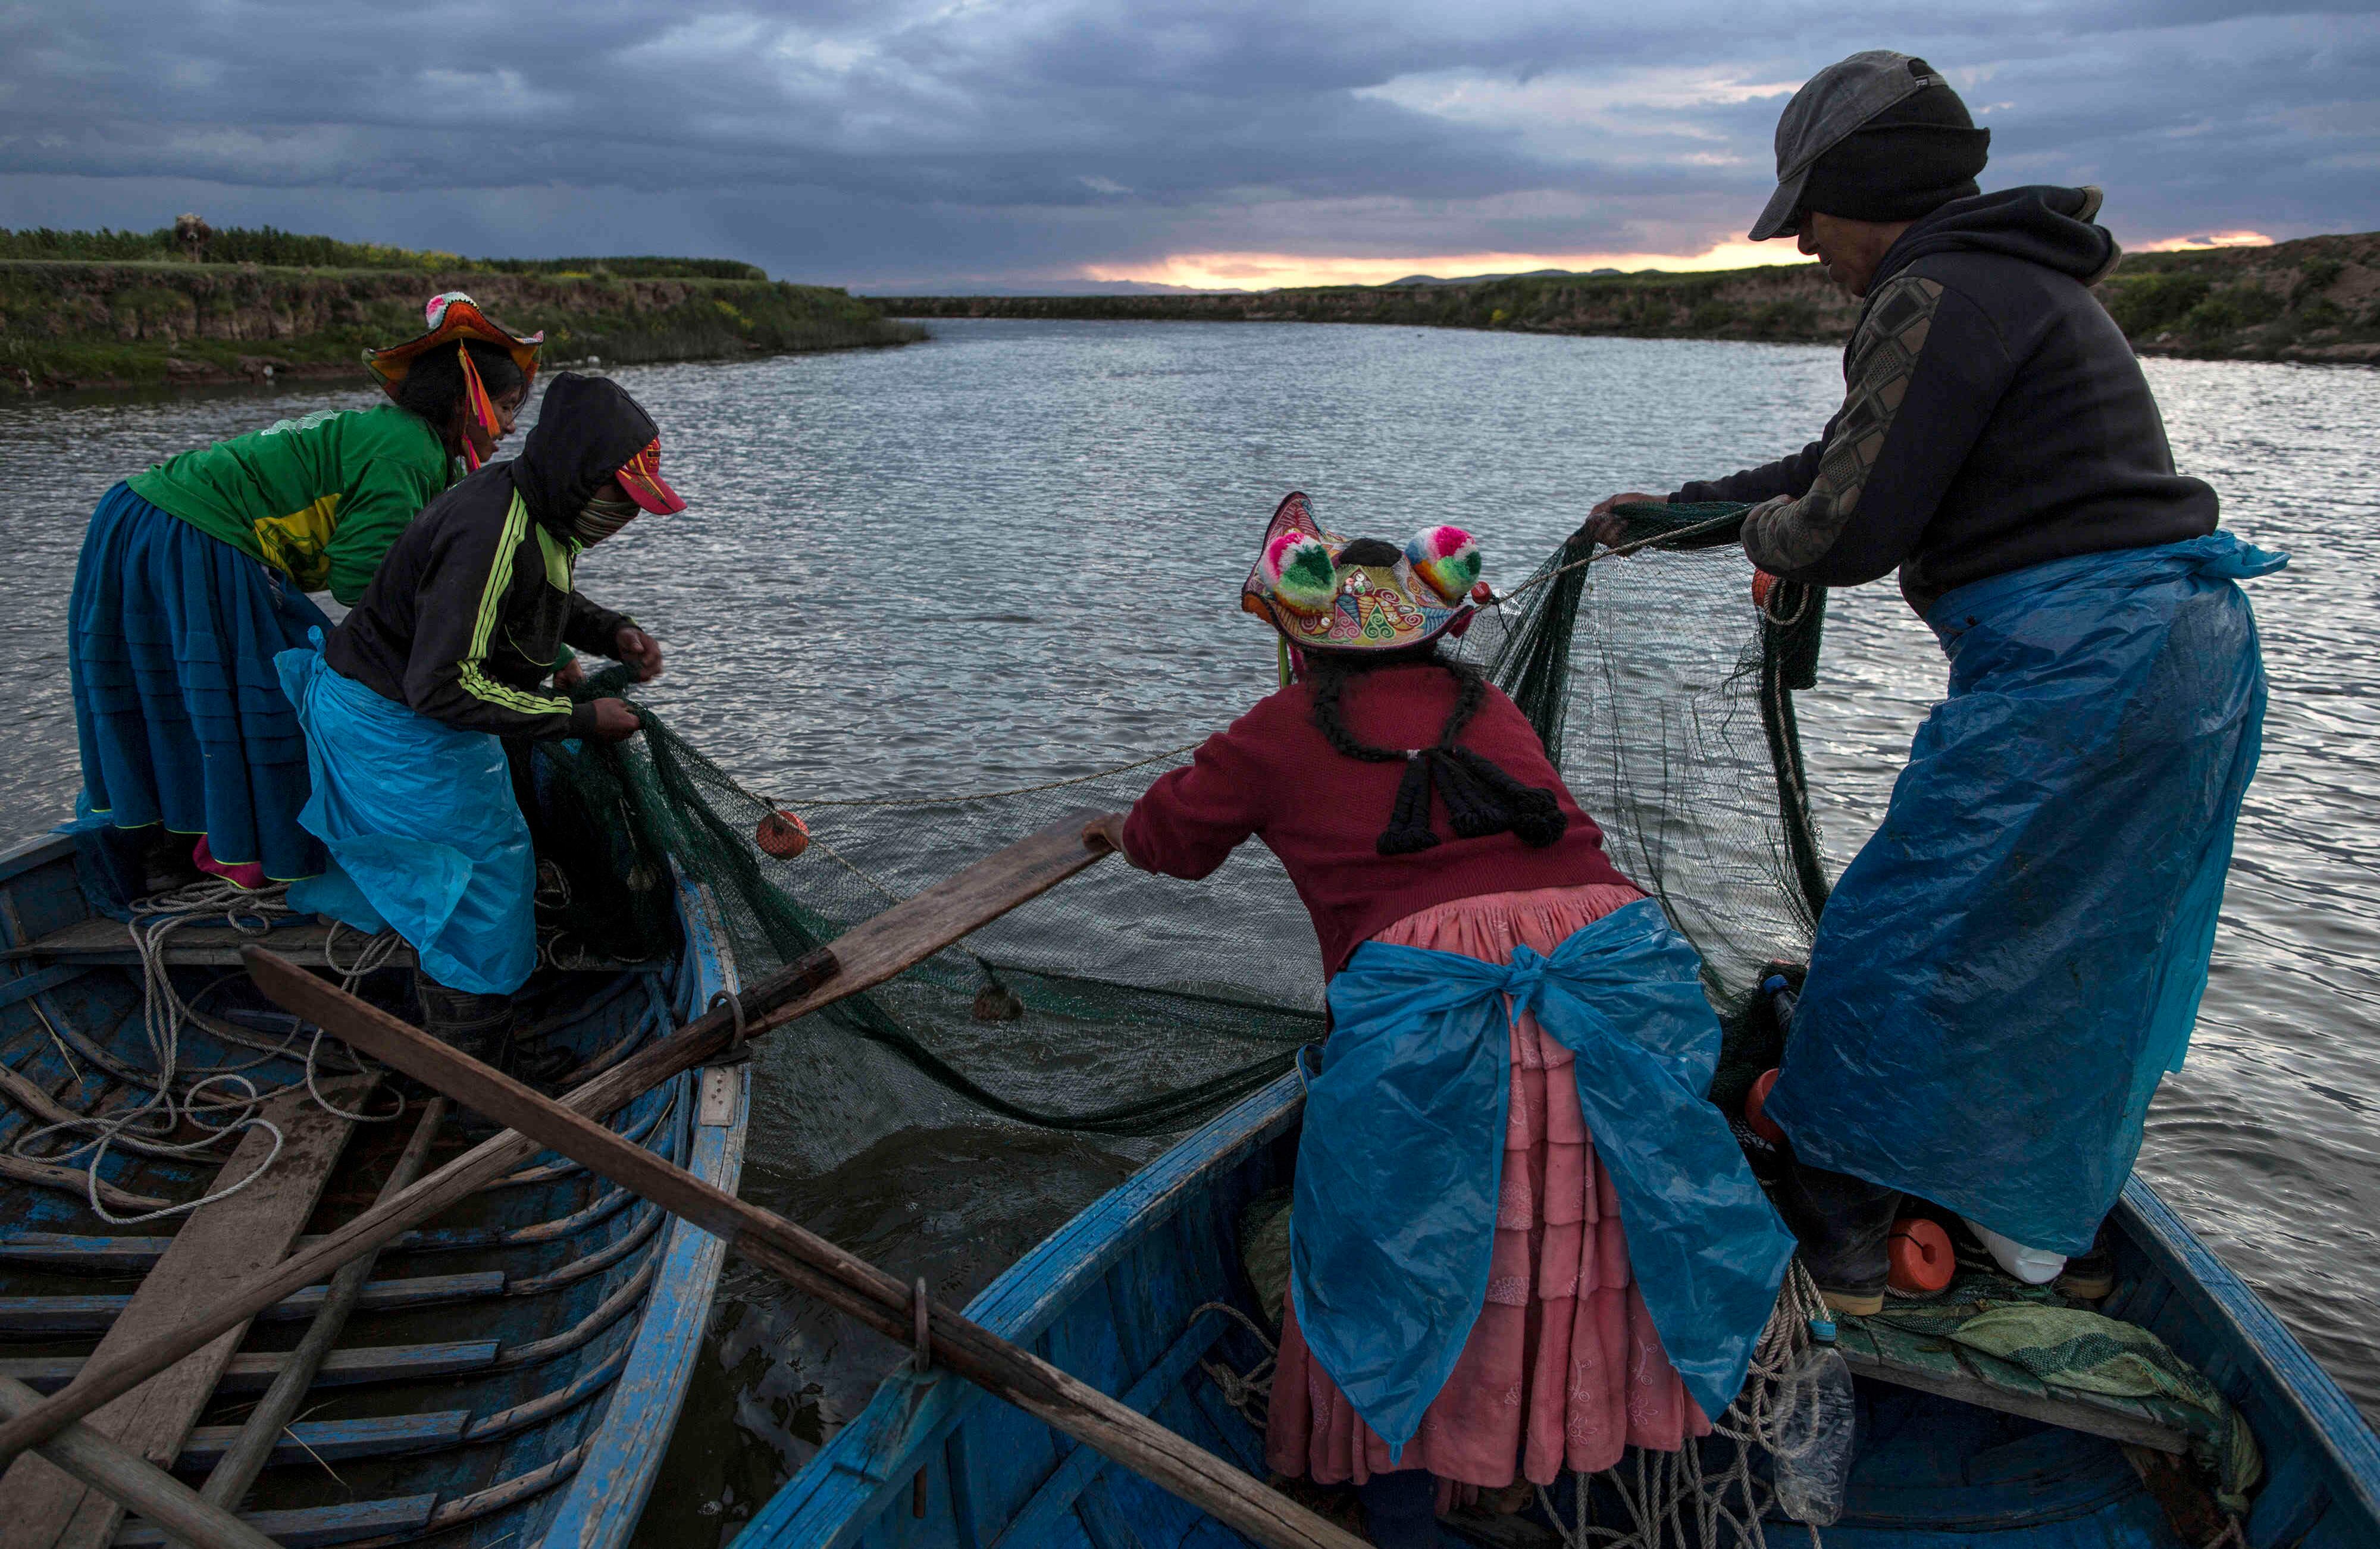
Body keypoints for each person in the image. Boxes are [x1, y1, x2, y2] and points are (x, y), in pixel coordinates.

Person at [1594, 51, 2282, 1311]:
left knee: (1900, 934)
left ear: (1867, 186)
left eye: (1807, 211)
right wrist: (1678, 512)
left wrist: (1756, 542)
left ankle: (1843, 1223)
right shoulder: (2008, 281)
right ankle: (2040, 1240)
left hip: (2085, 664)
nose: (1801, 243)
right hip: (2183, 654)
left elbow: (1844, 527)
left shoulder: (1932, 288)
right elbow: (1841, 457)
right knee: (2072, 956)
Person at [1085, 494, 1793, 1544]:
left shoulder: (1277, 729)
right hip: (1612, 979)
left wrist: (1127, 820)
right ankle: (1518, 1459)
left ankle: (1401, 1493)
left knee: (1388, 1243)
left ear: (1303, 644)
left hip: (1442, 1007)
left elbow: (1169, 840)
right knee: (1572, 1225)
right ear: (1434, 630)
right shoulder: (1487, 709)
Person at [68, 291, 543, 892]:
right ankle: (227, 850)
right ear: (464, 400)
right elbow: (362, 576)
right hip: (194, 531)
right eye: (504, 407)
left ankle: (172, 852)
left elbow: (474, 574)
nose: (509, 428)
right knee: (278, 699)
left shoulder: (426, 457)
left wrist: (549, 652)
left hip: (139, 514)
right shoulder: (407, 449)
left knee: (182, 700)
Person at [275, 373, 682, 1062]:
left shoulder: (538, 507)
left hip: (423, 718)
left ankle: (470, 1021)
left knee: (486, 866)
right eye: (622, 496)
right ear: (580, 474)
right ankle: (480, 1069)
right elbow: (440, 687)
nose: (628, 515)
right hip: (393, 723)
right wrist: (580, 718)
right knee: (478, 886)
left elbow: (536, 597)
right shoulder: (489, 527)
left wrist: (610, 631)